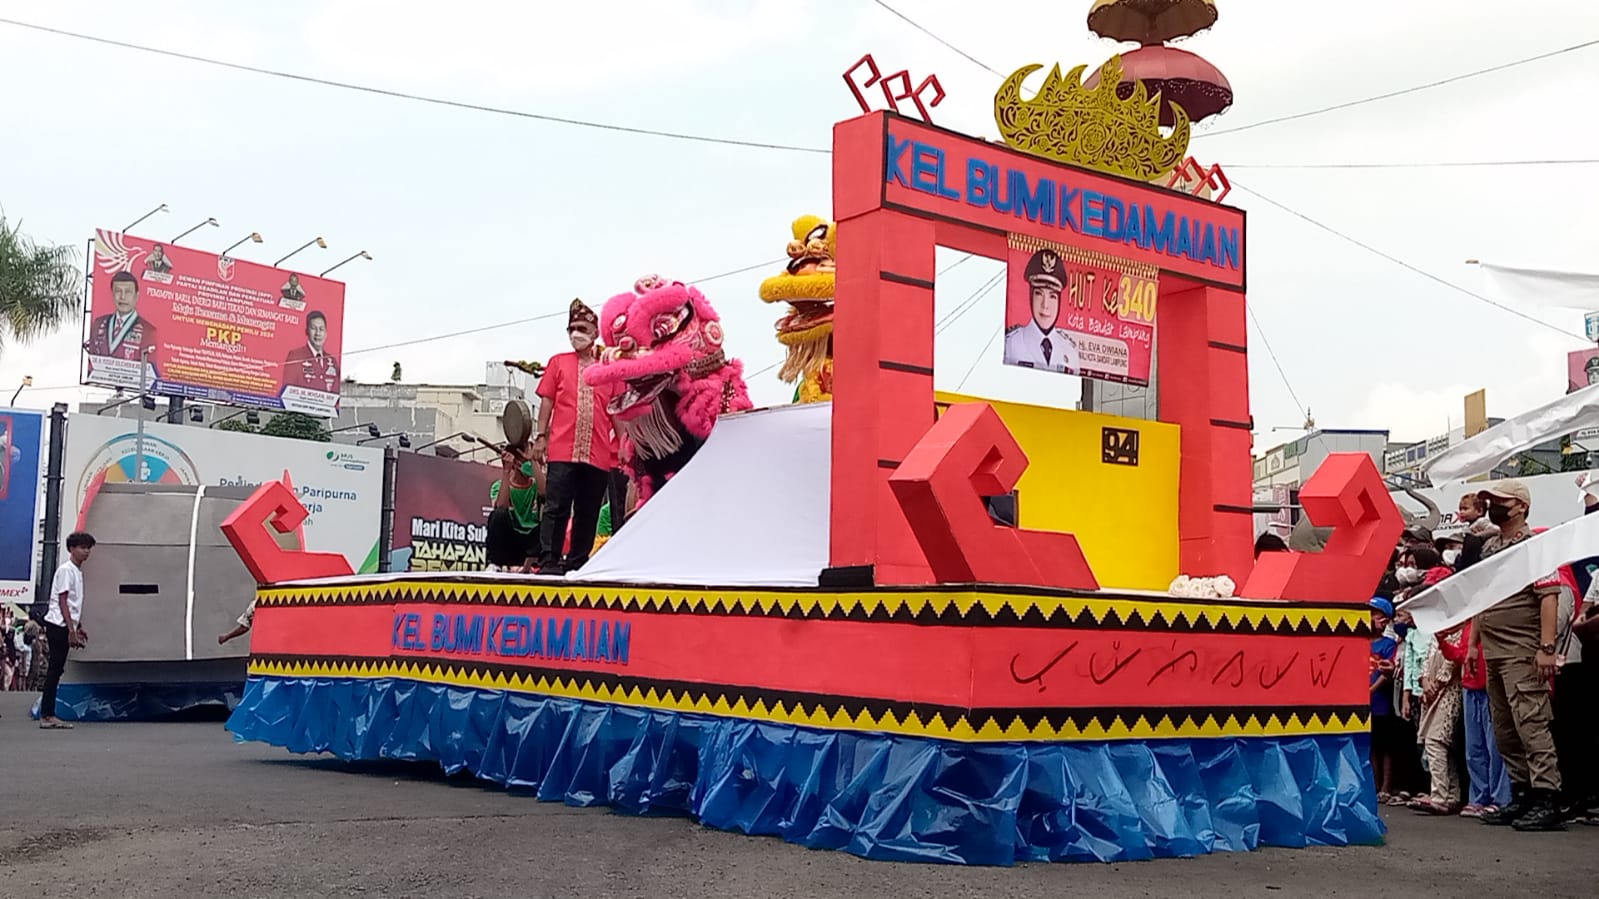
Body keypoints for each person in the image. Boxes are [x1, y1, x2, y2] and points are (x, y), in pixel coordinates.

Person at [1473, 481, 1565, 830]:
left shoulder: (1537, 546)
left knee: (1531, 723)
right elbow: (1480, 600)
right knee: (1505, 728)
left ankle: (1547, 796)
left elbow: (1549, 596)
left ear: (1522, 506)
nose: (1494, 506)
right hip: (1494, 651)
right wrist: (1472, 645)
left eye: (1501, 501)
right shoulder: (1489, 548)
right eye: (1490, 501)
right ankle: (1522, 792)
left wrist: (1546, 648)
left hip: (1523, 650)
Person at [531, 299, 620, 574]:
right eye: (571, 329)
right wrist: (541, 436)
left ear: (595, 333)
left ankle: (578, 562)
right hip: (562, 449)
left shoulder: (607, 368)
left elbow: (616, 410)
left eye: (581, 328)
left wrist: (625, 444)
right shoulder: (558, 363)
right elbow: (547, 402)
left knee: (588, 511)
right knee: (556, 507)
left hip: (598, 452)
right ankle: (549, 561)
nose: (575, 334)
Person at [39, 532, 94, 730]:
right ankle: (47, 715)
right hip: (58, 624)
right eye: (82, 547)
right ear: (71, 549)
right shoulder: (66, 570)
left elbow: (72, 603)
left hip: (65, 624)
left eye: (88, 547)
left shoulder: (76, 572)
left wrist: (78, 626)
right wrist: (71, 630)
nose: (86, 551)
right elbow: (62, 600)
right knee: (55, 669)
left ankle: (48, 713)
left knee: (57, 669)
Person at [1002, 248, 1081, 374]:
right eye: (1039, 294)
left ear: (1059, 301)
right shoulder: (1011, 344)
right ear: (1030, 296)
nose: (1045, 305)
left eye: (1052, 296)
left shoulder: (1070, 352)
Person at [486, 447, 546, 572]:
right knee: (498, 515)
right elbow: (501, 506)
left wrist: (534, 461)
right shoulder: (499, 486)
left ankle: (533, 566)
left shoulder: (536, 486)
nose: (527, 464)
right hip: (510, 540)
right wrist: (506, 470)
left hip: (530, 542)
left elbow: (546, 493)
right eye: (523, 461)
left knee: (548, 518)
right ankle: (495, 563)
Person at [1369, 597, 1401, 802]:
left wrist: (1371, 689)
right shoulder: (1359, 642)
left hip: (1381, 699)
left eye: (1374, 614)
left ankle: (1387, 786)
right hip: (1363, 702)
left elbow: (1388, 671)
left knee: (1385, 745)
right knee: (1370, 745)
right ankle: (1373, 782)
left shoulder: (1388, 644)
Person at [86, 271, 157, 360]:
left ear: (137, 296)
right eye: (118, 291)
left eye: (128, 292)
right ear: (112, 294)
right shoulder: (99, 323)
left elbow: (150, 368)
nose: (123, 297)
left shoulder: (149, 331)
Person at [283, 311, 340, 392]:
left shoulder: (332, 361)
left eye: (321, 329)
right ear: (306, 331)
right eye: (313, 328)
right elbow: (287, 390)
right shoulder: (296, 356)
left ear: (326, 333)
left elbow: (336, 395)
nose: (318, 333)